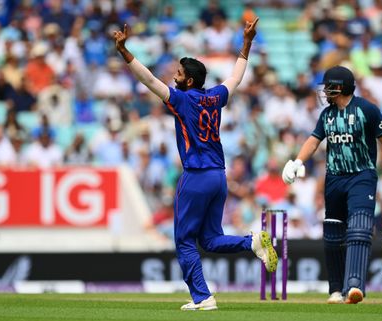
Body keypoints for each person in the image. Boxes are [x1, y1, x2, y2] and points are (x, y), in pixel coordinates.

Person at [113, 18, 277, 311]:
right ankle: (251, 243)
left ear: (189, 80)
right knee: (211, 239)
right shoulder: (214, 97)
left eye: (178, 73)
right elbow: (236, 78)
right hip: (219, 176)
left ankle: (203, 297)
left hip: (196, 176)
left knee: (184, 240)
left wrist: (125, 52)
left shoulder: (183, 99)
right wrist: (247, 43)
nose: (174, 76)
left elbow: (149, 81)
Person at [281, 65, 382, 304]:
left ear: (341, 87)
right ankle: (335, 290)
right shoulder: (326, 115)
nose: (325, 91)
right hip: (334, 178)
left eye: (329, 86)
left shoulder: (367, 109)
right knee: (332, 234)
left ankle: (354, 285)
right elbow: (314, 140)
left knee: (359, 227)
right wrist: (297, 161)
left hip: (362, 176)